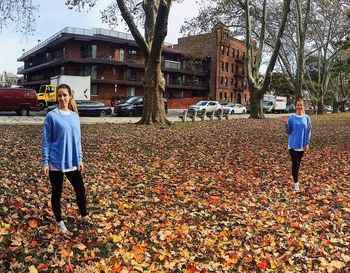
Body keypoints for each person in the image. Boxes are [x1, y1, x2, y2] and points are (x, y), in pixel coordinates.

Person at [42, 84, 90, 233]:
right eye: (60, 95)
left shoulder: (75, 116)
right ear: (57, 97)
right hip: (55, 161)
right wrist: (45, 161)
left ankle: (84, 216)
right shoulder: (52, 116)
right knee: (57, 192)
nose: (62, 98)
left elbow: (77, 140)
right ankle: (59, 222)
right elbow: (46, 140)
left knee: (80, 189)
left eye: (65, 95)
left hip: (72, 161)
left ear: (70, 97)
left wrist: (80, 159)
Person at [283, 99, 312, 192]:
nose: (299, 107)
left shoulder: (306, 118)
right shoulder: (291, 117)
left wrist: (307, 143)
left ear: (303, 106)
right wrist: (286, 125)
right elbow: (288, 131)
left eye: (301, 105)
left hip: (302, 145)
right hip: (292, 144)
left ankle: (295, 177)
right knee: (295, 163)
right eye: (298, 105)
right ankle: (296, 183)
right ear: (296, 106)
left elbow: (308, 132)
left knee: (298, 164)